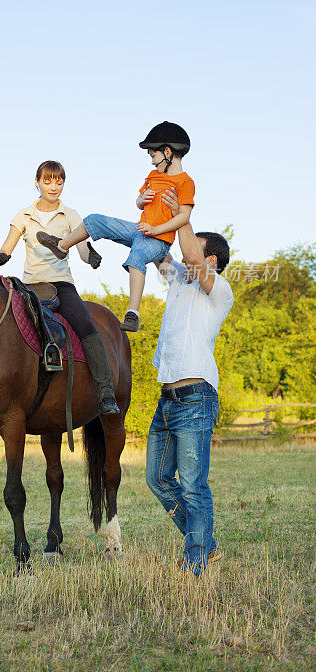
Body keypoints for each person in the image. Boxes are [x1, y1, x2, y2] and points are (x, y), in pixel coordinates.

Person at [0, 159, 119, 417]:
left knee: (87, 327)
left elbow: (81, 248)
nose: (54, 186)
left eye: (59, 181)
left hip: (61, 285)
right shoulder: (24, 215)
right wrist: (2, 256)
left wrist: (90, 256)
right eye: (48, 180)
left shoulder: (71, 215)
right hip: (29, 287)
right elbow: (8, 245)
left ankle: (105, 392)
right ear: (37, 182)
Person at [145, 186, 234, 576]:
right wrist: (154, 212)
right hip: (167, 398)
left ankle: (194, 562)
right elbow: (159, 254)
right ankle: (206, 543)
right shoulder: (179, 283)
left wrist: (182, 211)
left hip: (196, 397)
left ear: (210, 258)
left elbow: (191, 257)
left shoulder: (220, 291)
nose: (185, 252)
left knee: (194, 485)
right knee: (158, 479)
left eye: (193, 246)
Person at [37, 121, 195, 332]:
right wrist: (142, 199)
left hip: (159, 240)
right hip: (140, 229)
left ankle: (133, 313)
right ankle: (62, 246)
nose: (152, 162)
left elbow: (184, 216)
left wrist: (156, 230)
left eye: (153, 156)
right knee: (94, 220)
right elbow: (139, 203)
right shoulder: (154, 176)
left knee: (137, 256)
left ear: (168, 152)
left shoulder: (185, 182)